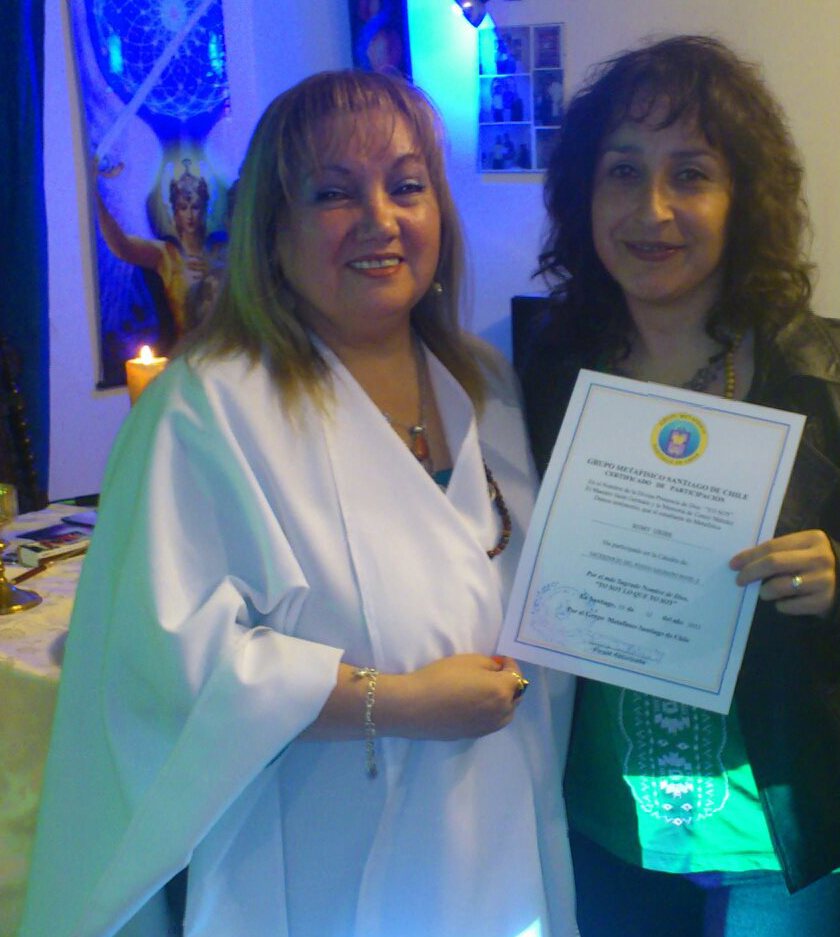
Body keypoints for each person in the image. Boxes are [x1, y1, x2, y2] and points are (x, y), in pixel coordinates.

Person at [19, 70, 576, 937]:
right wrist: (395, 701)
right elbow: (163, 668)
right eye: (333, 193)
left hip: (495, 836)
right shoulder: (207, 408)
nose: (379, 220)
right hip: (314, 854)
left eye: (406, 186)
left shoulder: (485, 382)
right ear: (271, 232)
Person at [521, 35, 840, 937]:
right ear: (582, 195)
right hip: (607, 818)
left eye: (690, 174)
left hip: (782, 822)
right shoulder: (541, 373)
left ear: (742, 198)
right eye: (622, 171)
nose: (652, 209)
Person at [95, 157, 227, 338]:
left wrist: (218, 272)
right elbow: (121, 246)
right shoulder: (166, 254)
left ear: (205, 209)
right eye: (183, 207)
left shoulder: (222, 250)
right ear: (175, 212)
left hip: (223, 344)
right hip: (182, 347)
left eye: (195, 207)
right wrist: (94, 195)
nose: (190, 215)